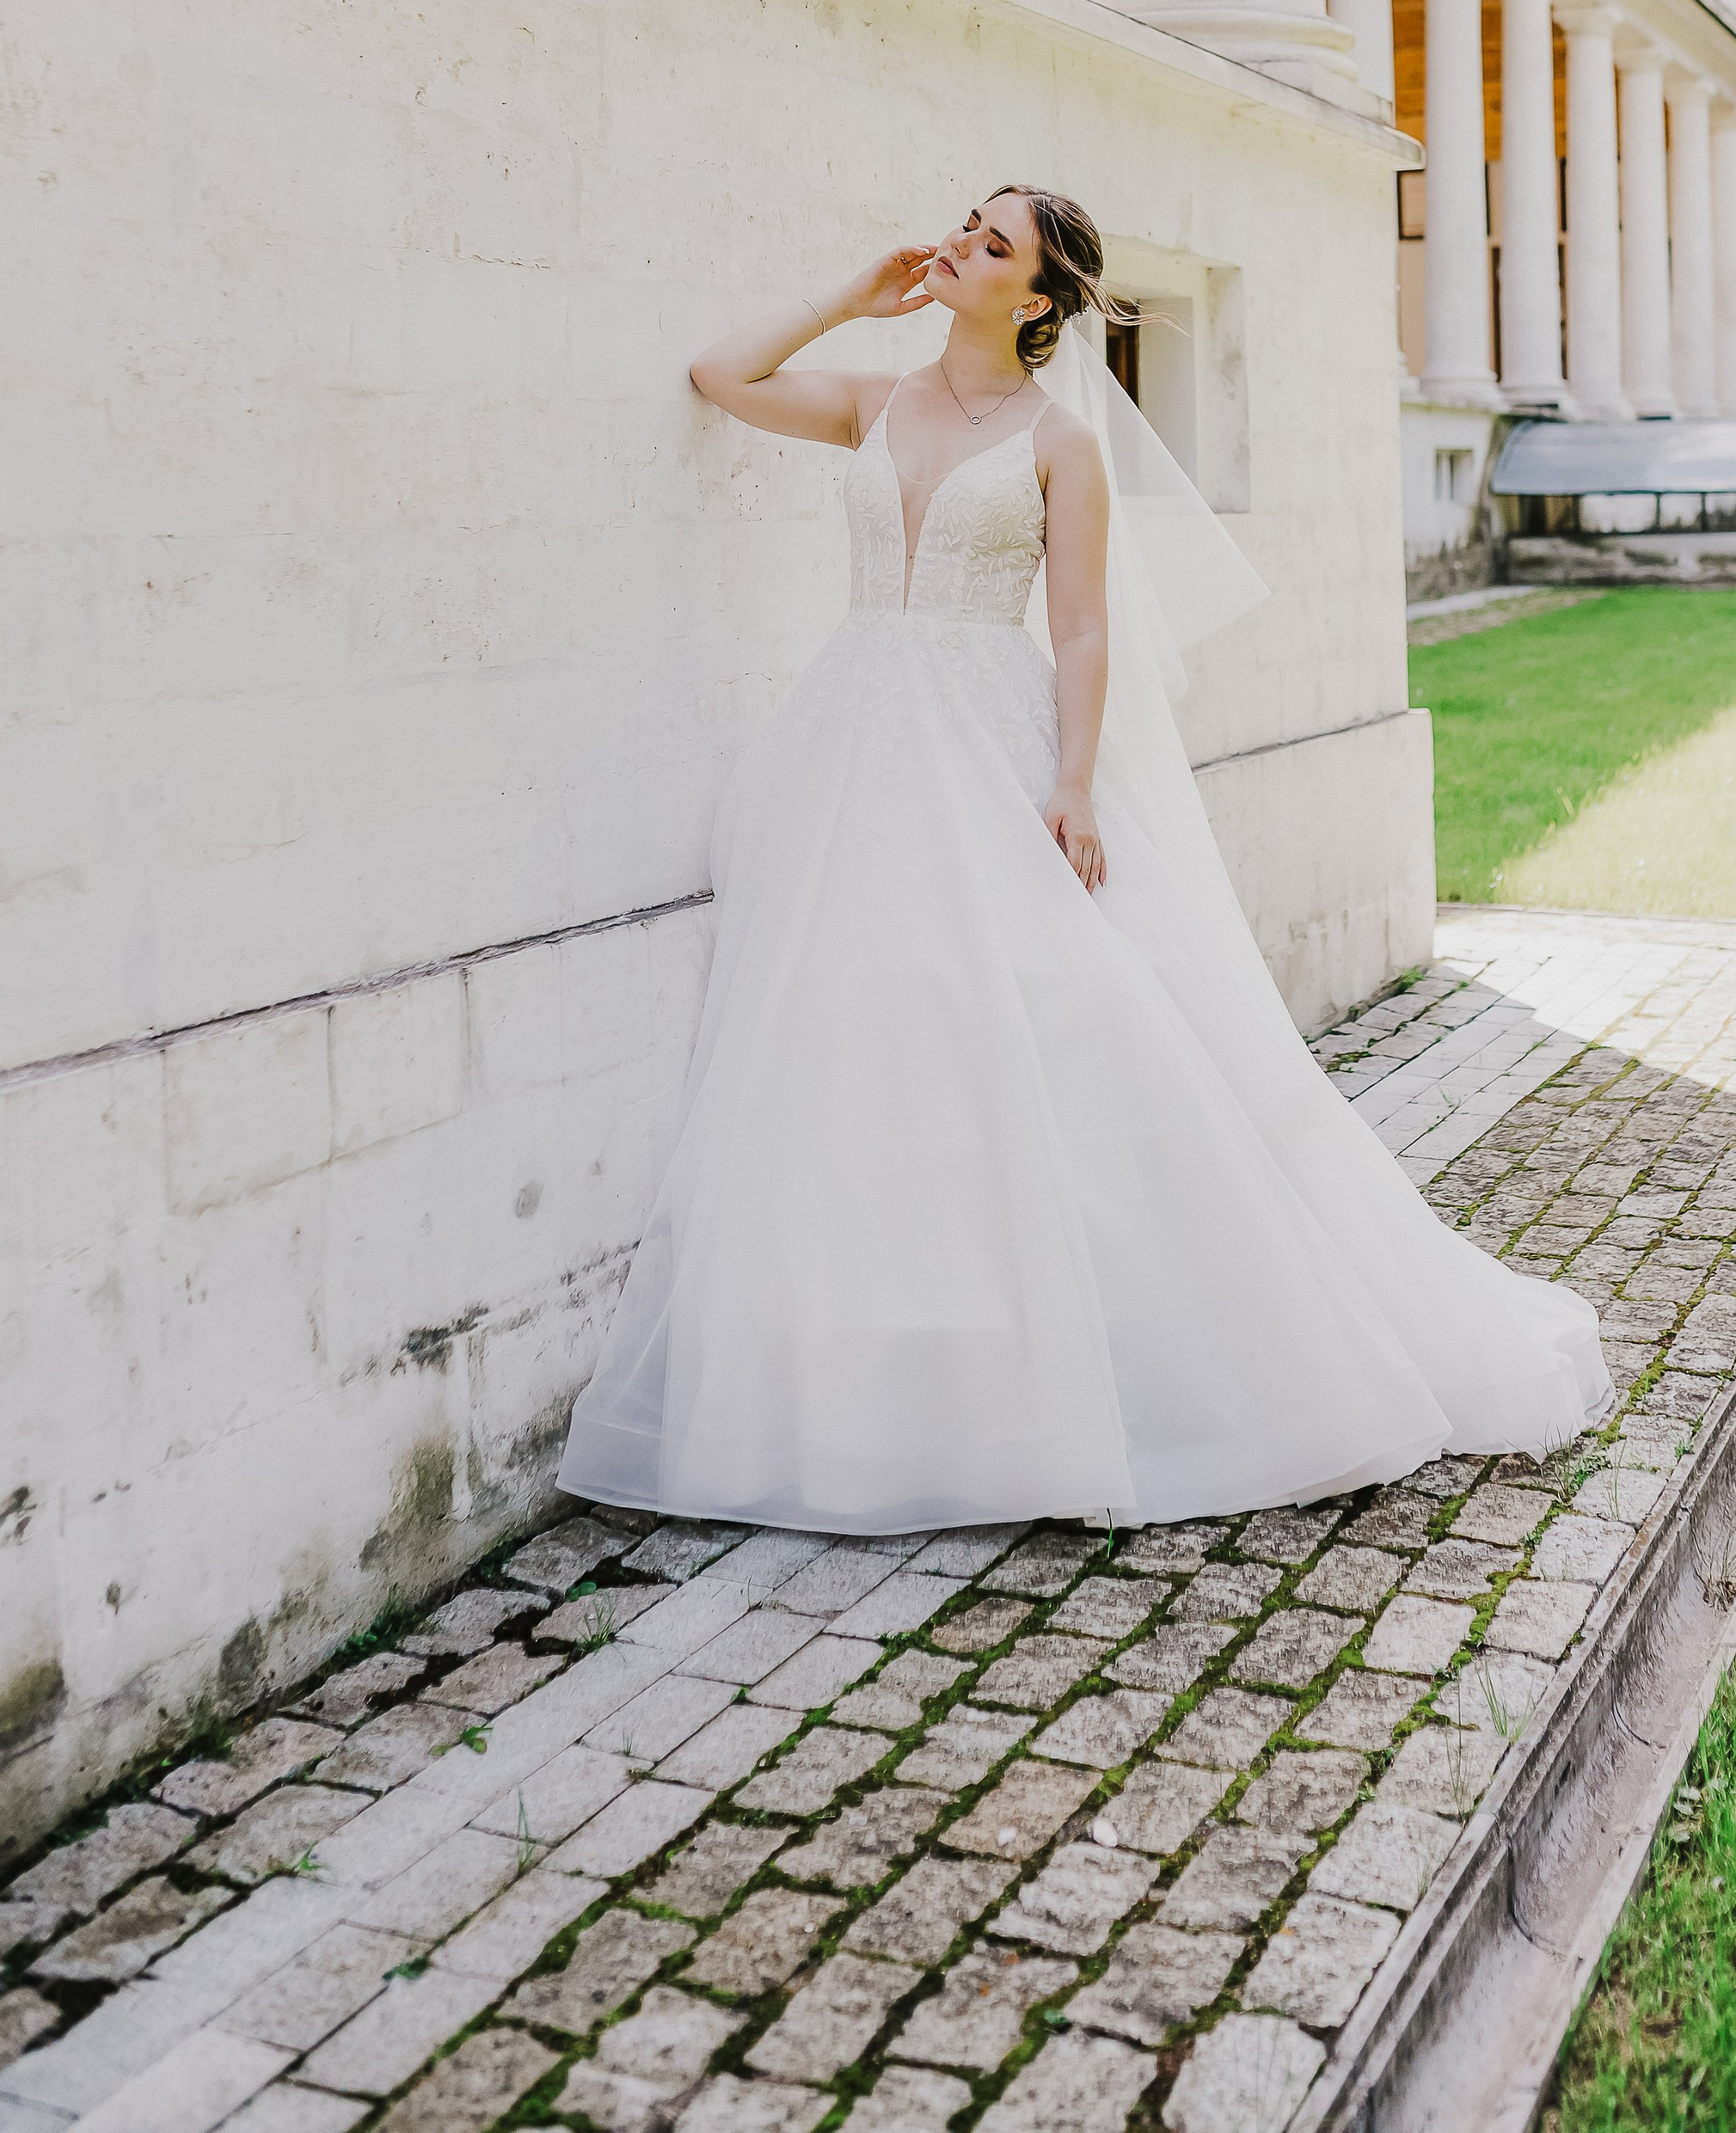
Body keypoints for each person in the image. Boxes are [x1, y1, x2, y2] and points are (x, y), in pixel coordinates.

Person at [558, 186, 1612, 1532]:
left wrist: (1070, 785)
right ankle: (879, 1384)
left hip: (981, 744)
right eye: (968, 224)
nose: (962, 245)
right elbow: (721, 376)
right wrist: (852, 297)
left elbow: (1084, 631)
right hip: (849, 745)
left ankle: (1069, 1368)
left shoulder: (1060, 443)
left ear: (1039, 299)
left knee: (1026, 1019)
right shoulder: (877, 402)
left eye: (994, 245)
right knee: (849, 1037)